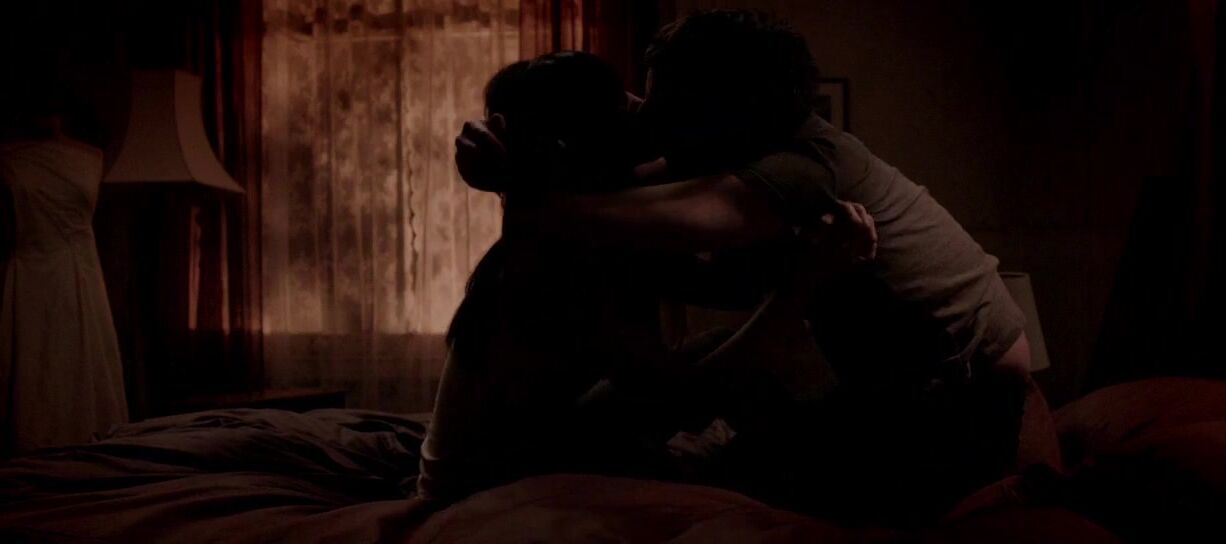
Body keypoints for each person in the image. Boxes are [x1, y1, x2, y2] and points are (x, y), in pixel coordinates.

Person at [455, 9, 1047, 527]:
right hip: (907, 391)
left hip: (955, 405)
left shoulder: (795, 172)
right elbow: (620, 200)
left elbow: (593, 213)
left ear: (727, 112)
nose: (646, 116)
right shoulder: (746, 153)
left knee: (753, 476)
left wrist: (513, 183)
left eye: (666, 104)